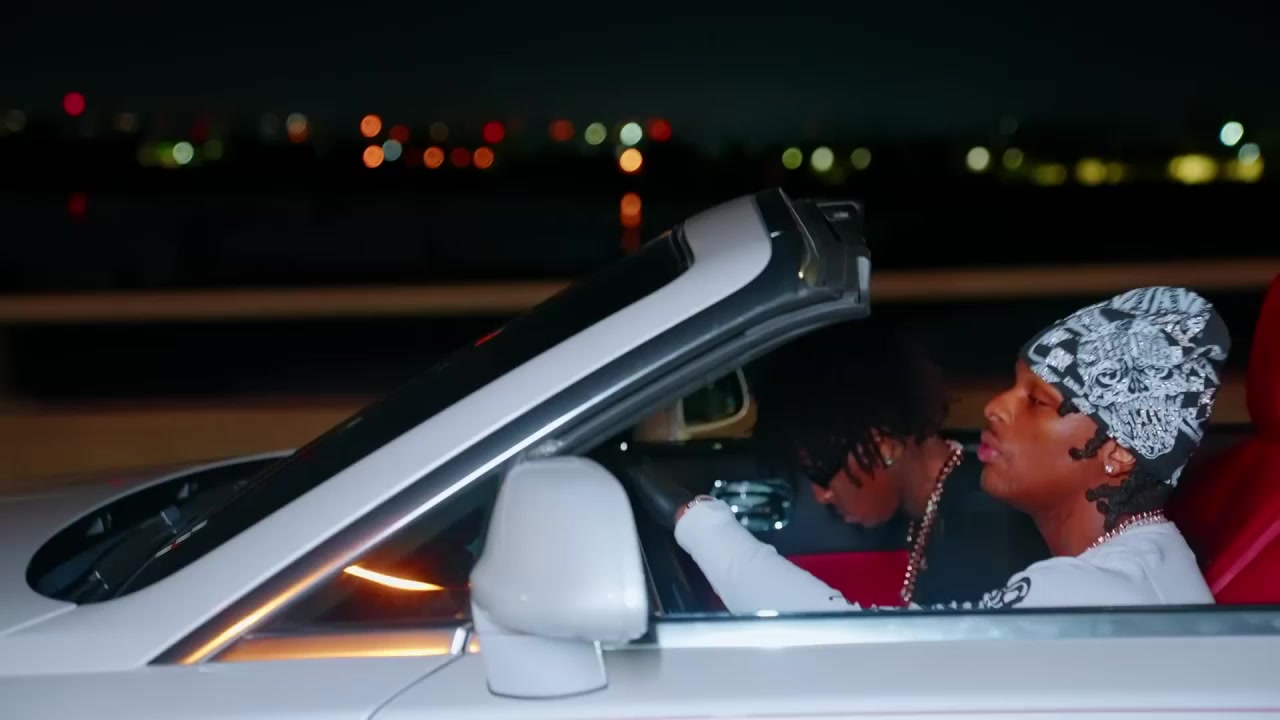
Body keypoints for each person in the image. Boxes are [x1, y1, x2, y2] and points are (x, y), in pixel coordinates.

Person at [633, 287, 1230, 613]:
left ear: (1118, 454)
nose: (995, 407)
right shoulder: (1147, 566)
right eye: (1012, 386)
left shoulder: (1079, 598)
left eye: (1036, 401)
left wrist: (697, 520)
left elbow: (860, 658)